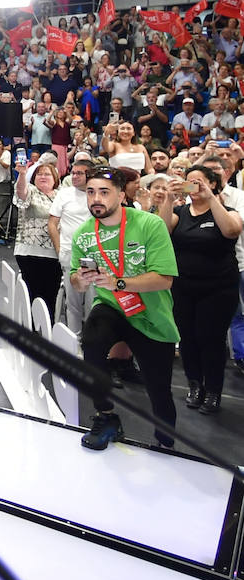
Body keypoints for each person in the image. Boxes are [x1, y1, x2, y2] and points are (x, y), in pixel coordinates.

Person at [70, 167, 179, 449]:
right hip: (111, 307)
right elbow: (75, 280)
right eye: (91, 191)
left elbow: (164, 280)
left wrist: (118, 282)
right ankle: (106, 417)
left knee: (158, 389)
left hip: (150, 313)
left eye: (104, 192)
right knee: (92, 344)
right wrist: (80, 281)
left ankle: (166, 441)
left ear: (121, 194)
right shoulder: (84, 234)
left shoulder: (149, 225)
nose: (96, 198)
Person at [150, 164, 241, 416]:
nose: (194, 185)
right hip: (184, 286)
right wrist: (168, 198)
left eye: (200, 181)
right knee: (188, 337)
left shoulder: (227, 211)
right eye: (189, 181)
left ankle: (213, 390)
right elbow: (162, 230)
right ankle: (194, 384)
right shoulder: (181, 212)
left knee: (210, 338)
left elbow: (231, 230)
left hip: (218, 287)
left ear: (212, 183)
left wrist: (211, 198)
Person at [49, 154, 96, 333]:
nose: (74, 176)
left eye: (79, 174)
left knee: (93, 302)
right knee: (72, 302)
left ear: (90, 175)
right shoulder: (64, 193)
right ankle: (73, 341)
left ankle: (91, 342)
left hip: (95, 255)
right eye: (73, 173)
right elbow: (52, 223)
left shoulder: (99, 194)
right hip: (70, 253)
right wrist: (60, 249)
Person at [12, 157, 63, 312]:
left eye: (47, 174)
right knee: (33, 294)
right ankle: (31, 329)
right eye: (39, 174)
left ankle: (48, 330)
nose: (42, 177)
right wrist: (22, 174)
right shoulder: (31, 191)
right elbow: (21, 192)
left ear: (55, 179)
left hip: (55, 253)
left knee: (50, 295)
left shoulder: (62, 196)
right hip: (29, 252)